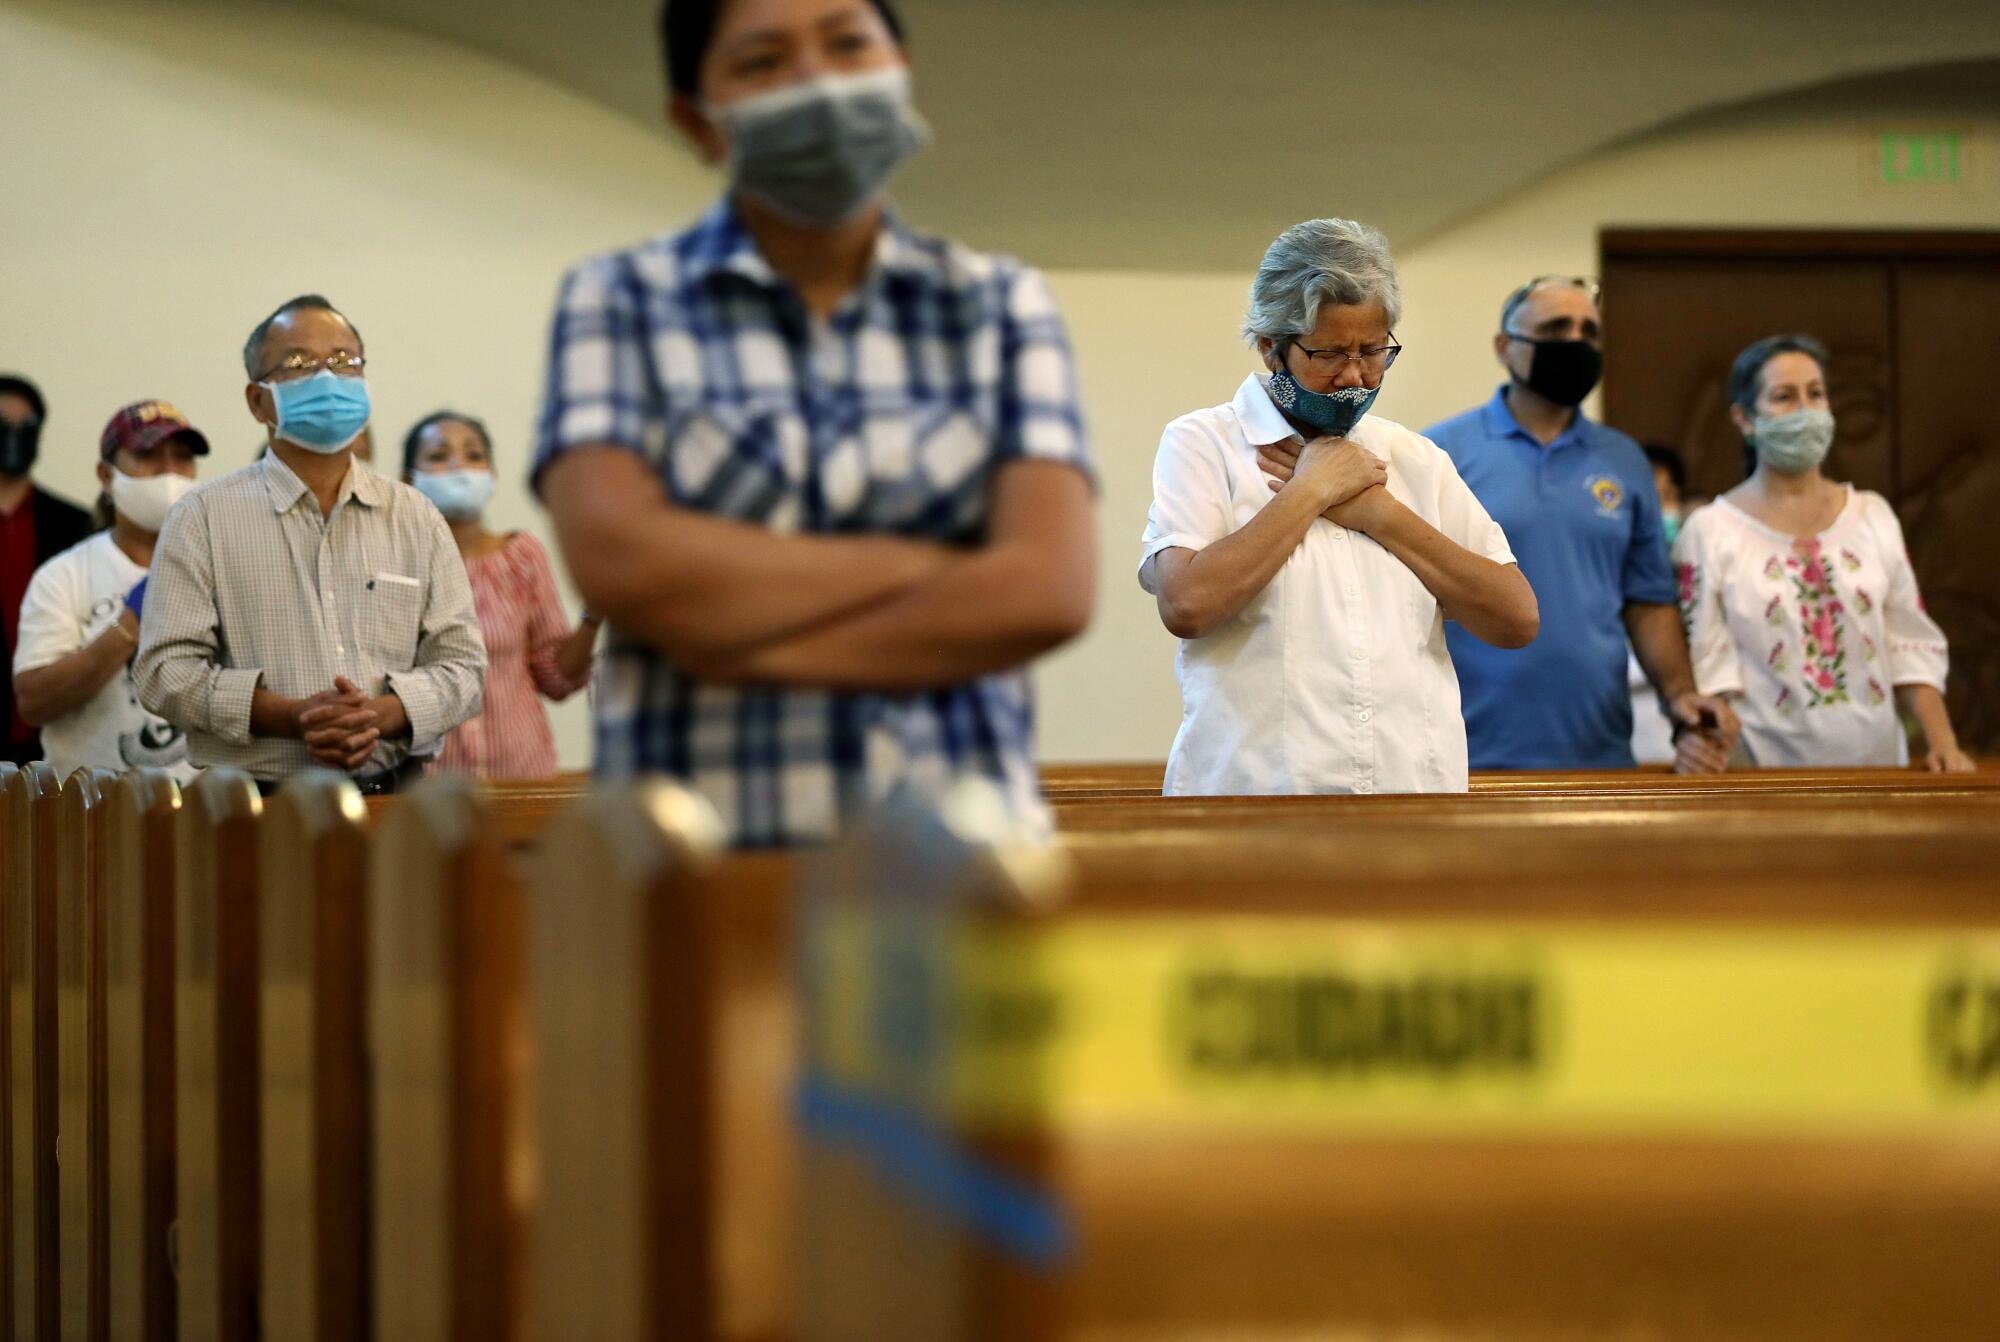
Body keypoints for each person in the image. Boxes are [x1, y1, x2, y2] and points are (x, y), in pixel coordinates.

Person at [533, 0, 1095, 845]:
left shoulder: (998, 304)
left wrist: (731, 639)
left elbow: (1045, 590)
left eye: (847, 45)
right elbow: (620, 562)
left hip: (965, 865)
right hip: (697, 871)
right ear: (699, 120)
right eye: (762, 62)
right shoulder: (617, 300)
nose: (818, 82)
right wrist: (930, 566)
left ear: (898, 67)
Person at [1140, 218, 1538, 796]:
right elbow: (1188, 604)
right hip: (1254, 803)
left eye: (1374, 352)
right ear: (1271, 347)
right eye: (1328, 354)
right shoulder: (1204, 443)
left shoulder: (1415, 459)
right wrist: (1310, 491)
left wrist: (1378, 515)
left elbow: (1516, 619)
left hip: (1414, 802)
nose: (1355, 377)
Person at [136, 295, 486, 794]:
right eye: (299, 363)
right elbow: (164, 673)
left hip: (396, 798)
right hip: (256, 806)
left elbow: (464, 667)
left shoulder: (416, 517)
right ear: (258, 401)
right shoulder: (202, 517)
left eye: (345, 362)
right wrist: (291, 716)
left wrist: (383, 715)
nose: (328, 379)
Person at [1425, 277, 1738, 773]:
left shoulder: (1625, 460)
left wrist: (1679, 694)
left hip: (1599, 754)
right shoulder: (1439, 453)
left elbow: (1648, 600)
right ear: (1505, 347)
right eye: (1555, 328)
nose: (1576, 342)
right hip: (1464, 754)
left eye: (1589, 332)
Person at [1674, 335, 1973, 771]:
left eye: (1816, 394)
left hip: (1879, 774)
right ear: (1744, 419)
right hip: (1762, 778)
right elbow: (1708, 661)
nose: (1805, 411)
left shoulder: (1873, 516)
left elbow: (1907, 640)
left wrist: (1942, 742)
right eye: (1783, 397)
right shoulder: (1711, 530)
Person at [12, 401, 207, 780]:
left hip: (208, 809)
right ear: (106, 475)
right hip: (94, 815)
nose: (169, 471)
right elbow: (33, 703)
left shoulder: (219, 566)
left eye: (183, 458)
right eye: (148, 455)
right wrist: (129, 625)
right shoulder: (65, 576)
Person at [404, 411, 596, 777]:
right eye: (439, 456)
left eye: (474, 456)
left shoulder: (521, 557)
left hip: (523, 774)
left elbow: (555, 677)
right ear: (408, 479)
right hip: (431, 787)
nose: (458, 466)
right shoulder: (395, 565)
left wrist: (594, 615)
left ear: (491, 476)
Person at [0, 374, 99, 766]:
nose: (14, 436)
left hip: (54, 727)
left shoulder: (75, 523)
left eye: (26, 427)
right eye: (3, 425)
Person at [1629, 443, 1692, 763]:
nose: (1661, 510)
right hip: (1632, 746)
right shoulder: (1618, 574)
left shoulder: (1695, 570)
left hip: (1687, 750)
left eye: (1669, 497)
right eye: (1651, 499)